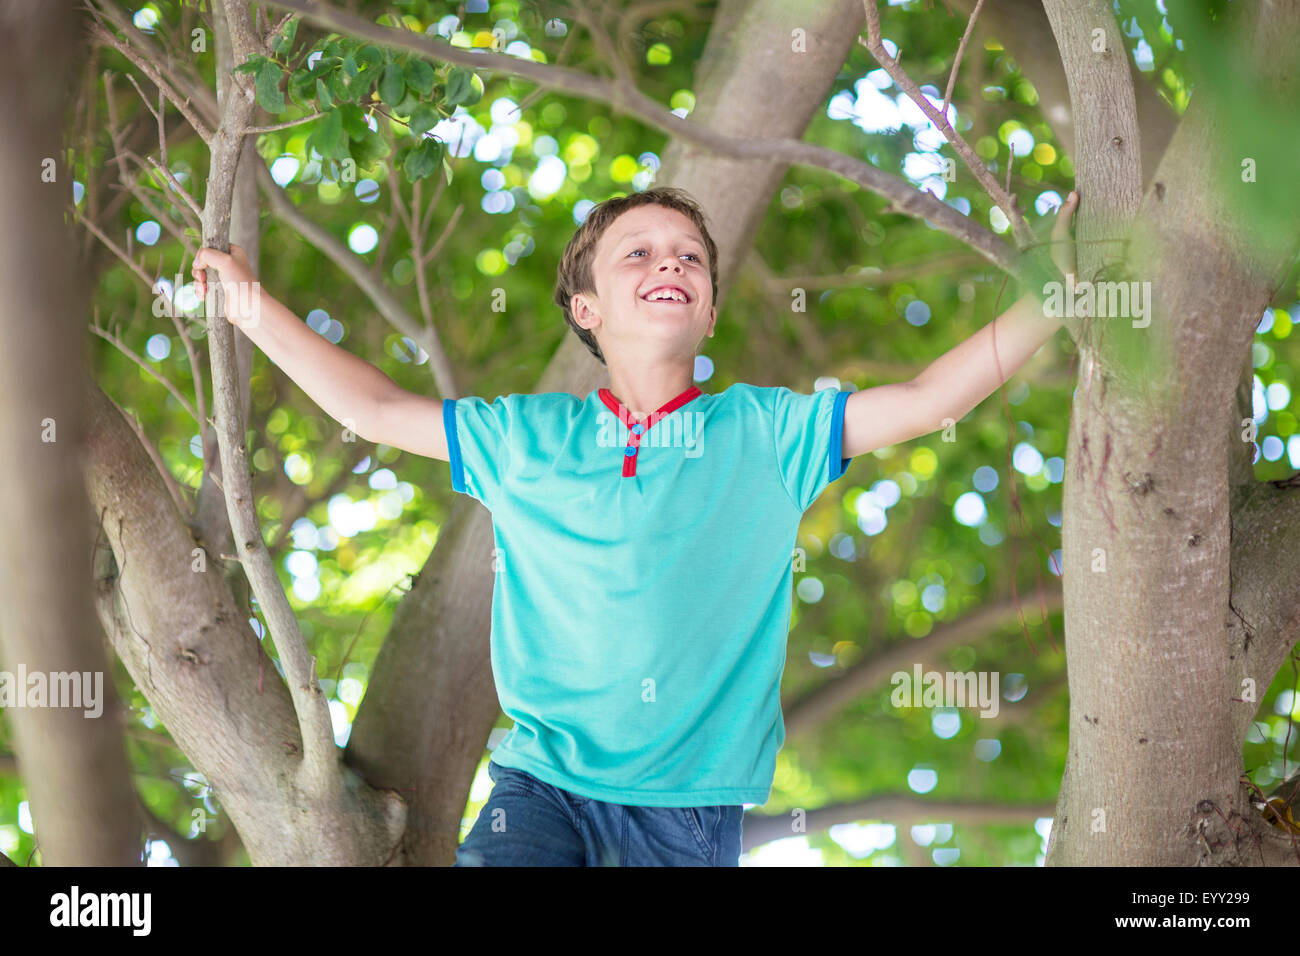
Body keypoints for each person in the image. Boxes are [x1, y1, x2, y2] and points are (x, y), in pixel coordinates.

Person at [193, 185, 1078, 866]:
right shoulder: (525, 436)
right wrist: (245, 305)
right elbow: (380, 408)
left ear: (710, 312)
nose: (672, 265)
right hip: (541, 784)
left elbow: (926, 401)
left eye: (691, 258)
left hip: (687, 806)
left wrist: (1054, 293)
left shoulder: (770, 433)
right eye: (640, 254)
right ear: (587, 311)